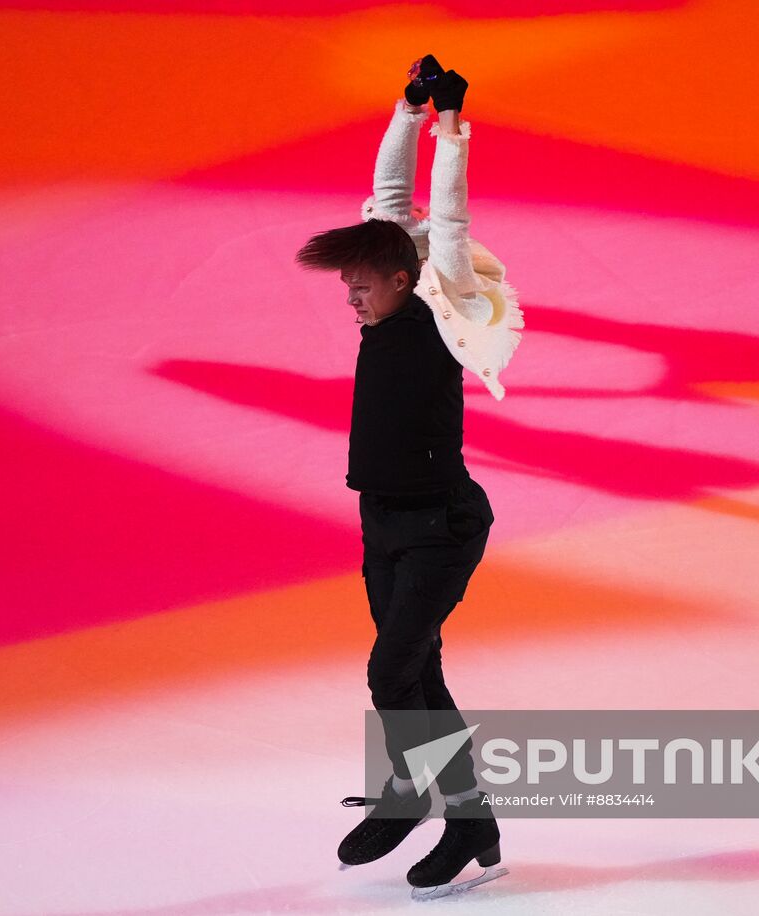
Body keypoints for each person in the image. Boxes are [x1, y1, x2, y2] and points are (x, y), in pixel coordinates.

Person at [294, 54, 523, 897]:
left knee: (391, 673)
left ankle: (409, 793)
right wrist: (408, 108)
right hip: (384, 520)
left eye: (361, 287)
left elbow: (447, 222)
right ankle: (473, 825)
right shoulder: (386, 277)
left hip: (442, 521)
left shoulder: (439, 303)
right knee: (416, 672)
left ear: (403, 281)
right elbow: (390, 202)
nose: (350, 296)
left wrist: (453, 131)